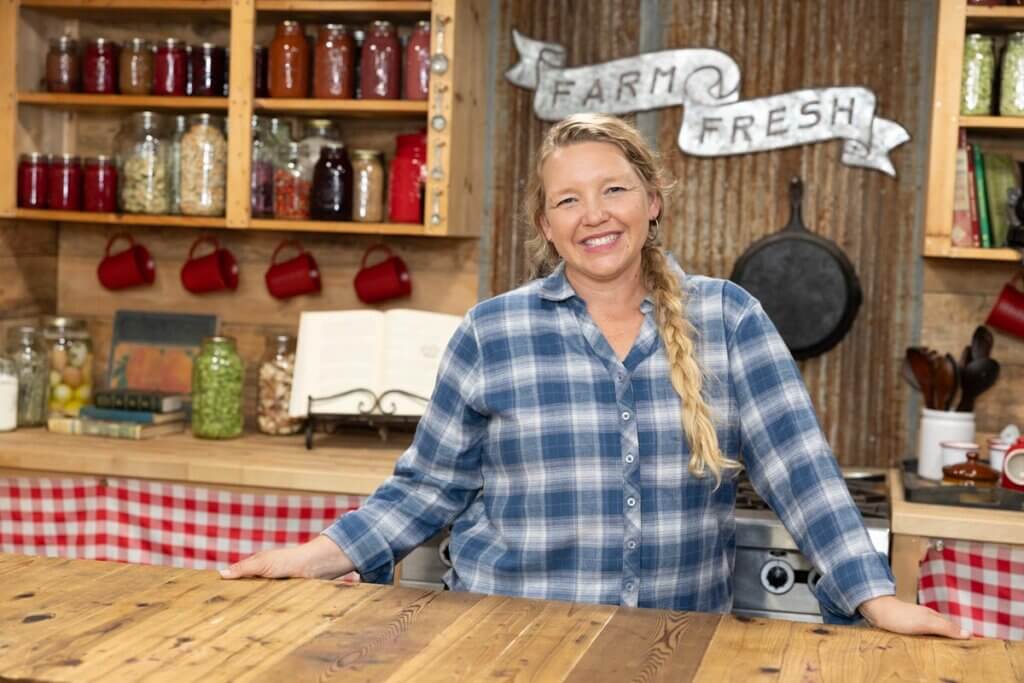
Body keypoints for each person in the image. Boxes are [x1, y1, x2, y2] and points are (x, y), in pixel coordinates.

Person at [222, 113, 967, 638]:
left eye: (612, 189)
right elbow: (426, 489)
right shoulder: (494, 331)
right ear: (546, 226)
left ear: (652, 201)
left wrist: (874, 597)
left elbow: (803, 475)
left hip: (671, 648)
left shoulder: (731, 319)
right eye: (567, 199)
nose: (594, 215)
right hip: (502, 644)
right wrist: (315, 555)